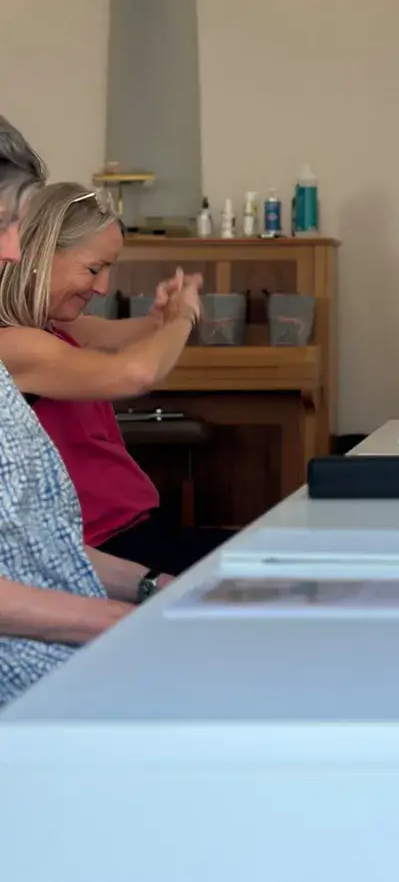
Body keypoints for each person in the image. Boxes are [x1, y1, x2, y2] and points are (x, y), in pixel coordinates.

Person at [0, 116, 167, 707]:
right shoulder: (18, 345)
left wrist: (150, 587)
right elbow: (135, 373)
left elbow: (40, 542)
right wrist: (120, 622)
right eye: (2, 227)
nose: (13, 250)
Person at [0, 180, 231, 576]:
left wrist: (161, 319)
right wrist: (184, 317)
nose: (104, 287)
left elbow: (116, 337)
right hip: (104, 550)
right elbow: (137, 373)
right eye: (94, 269)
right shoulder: (14, 345)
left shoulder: (50, 326)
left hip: (134, 531)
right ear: (41, 253)